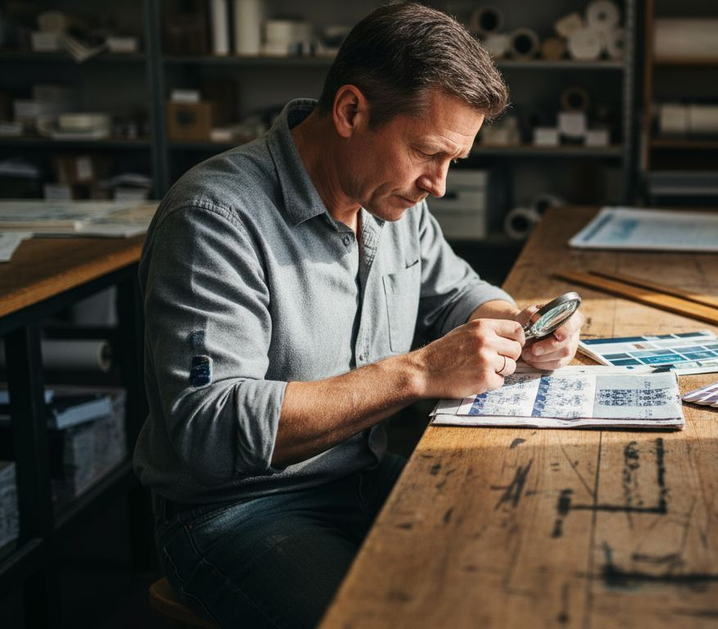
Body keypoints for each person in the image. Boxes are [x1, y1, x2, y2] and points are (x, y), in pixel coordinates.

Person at [133, 4, 581, 627]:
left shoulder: (389, 198)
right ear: (350, 112)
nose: (440, 185)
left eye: (455, 160)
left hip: (360, 477)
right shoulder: (215, 219)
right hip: (237, 511)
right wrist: (418, 373)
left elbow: (455, 292)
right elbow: (209, 430)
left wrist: (519, 325)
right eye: (428, 153)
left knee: (534, 562)